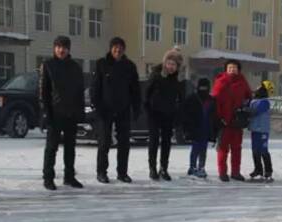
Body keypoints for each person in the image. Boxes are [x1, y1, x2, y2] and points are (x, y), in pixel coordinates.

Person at [92, 37, 141, 184]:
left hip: (123, 110)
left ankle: (122, 173)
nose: (117, 50)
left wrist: (136, 108)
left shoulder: (130, 66)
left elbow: (135, 90)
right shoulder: (101, 64)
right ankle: (101, 172)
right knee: (104, 142)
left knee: (124, 143)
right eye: (115, 47)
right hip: (105, 110)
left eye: (120, 47)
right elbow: (95, 89)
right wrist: (98, 107)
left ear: (124, 49)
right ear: (110, 48)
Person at [40, 36, 85, 191]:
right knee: (52, 147)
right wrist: (46, 112)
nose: (61, 50)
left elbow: (80, 91)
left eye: (64, 47)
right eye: (58, 46)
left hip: (71, 113)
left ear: (68, 49)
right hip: (55, 113)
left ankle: (69, 177)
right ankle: (48, 178)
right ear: (54, 48)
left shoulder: (75, 67)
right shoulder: (48, 65)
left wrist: (80, 112)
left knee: (70, 148)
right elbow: (43, 92)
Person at [145, 47, 184, 181]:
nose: (171, 67)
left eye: (174, 65)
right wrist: (148, 109)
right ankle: (152, 168)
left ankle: (164, 168)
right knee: (154, 141)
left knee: (166, 142)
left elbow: (180, 98)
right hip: (155, 114)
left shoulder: (177, 80)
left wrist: (177, 113)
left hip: (168, 114)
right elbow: (146, 93)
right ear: (164, 63)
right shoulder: (156, 75)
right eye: (169, 63)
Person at [211, 59, 252, 182]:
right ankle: (222, 172)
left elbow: (248, 97)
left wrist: (244, 110)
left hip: (237, 121)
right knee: (223, 149)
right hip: (224, 121)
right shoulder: (221, 82)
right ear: (226, 69)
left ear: (238, 70)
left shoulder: (242, 82)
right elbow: (215, 101)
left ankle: (235, 172)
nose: (232, 70)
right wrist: (218, 118)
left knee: (236, 148)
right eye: (229, 68)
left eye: (234, 68)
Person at [182, 78, 218, 179]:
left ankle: (201, 167)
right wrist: (187, 129)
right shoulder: (192, 98)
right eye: (201, 87)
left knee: (203, 150)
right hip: (195, 128)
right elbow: (186, 115)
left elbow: (214, 116)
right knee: (196, 148)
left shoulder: (211, 99)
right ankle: (192, 167)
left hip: (206, 128)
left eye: (205, 87)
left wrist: (214, 131)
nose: (203, 89)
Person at [248, 80, 275, 182]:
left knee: (263, 150)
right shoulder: (254, 101)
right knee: (255, 150)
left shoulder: (264, 102)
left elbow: (256, 111)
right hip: (255, 129)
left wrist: (246, 111)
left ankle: (268, 170)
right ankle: (258, 169)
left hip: (262, 130)